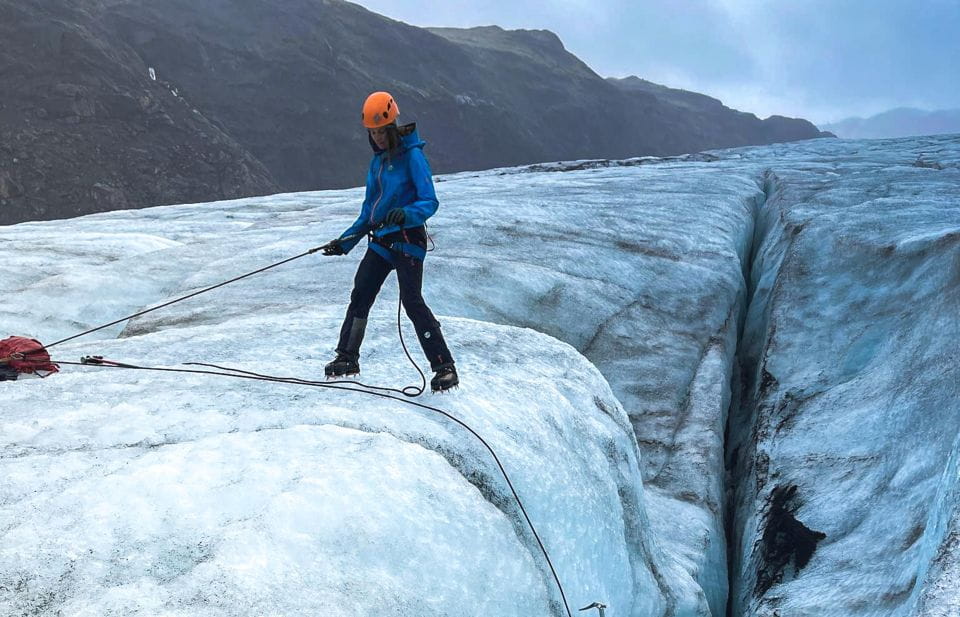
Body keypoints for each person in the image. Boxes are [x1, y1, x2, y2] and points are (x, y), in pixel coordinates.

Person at [321, 91, 458, 392]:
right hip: (382, 241)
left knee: (411, 300)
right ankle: (347, 358)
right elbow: (369, 214)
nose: (379, 138)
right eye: (373, 133)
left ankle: (444, 366)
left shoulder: (413, 156)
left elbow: (429, 201)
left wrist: (405, 214)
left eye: (382, 131)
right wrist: (343, 243)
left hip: (408, 238)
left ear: (393, 126)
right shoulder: (378, 163)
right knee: (361, 293)